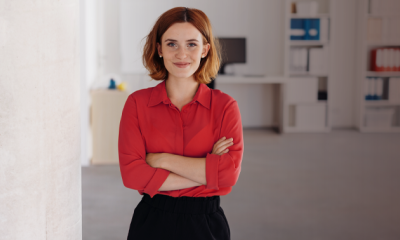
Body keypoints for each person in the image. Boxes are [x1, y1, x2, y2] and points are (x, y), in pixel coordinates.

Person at [118, 6, 244, 240]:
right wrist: (209, 174)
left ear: (205, 49)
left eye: (192, 44)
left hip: (207, 224)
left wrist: (162, 160)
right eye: (172, 44)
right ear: (159, 49)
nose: (181, 54)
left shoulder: (225, 106)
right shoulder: (137, 104)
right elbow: (132, 175)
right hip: (152, 221)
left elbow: (229, 176)